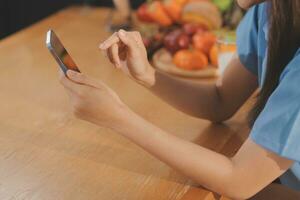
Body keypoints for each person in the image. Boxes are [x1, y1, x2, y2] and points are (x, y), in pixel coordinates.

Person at [59, 0, 300, 199]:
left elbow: (239, 180)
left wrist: (118, 117)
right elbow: (220, 101)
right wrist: (147, 74)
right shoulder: (269, 11)